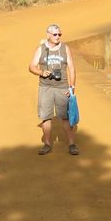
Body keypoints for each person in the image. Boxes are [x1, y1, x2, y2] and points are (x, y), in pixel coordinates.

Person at [28, 23, 79, 155]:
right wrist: (41, 72)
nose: (58, 37)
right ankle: (47, 144)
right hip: (46, 87)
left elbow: (71, 69)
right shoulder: (41, 49)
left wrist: (72, 87)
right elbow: (32, 66)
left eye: (59, 34)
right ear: (48, 35)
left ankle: (72, 144)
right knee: (46, 117)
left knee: (66, 117)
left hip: (62, 87)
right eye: (55, 34)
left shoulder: (65, 48)